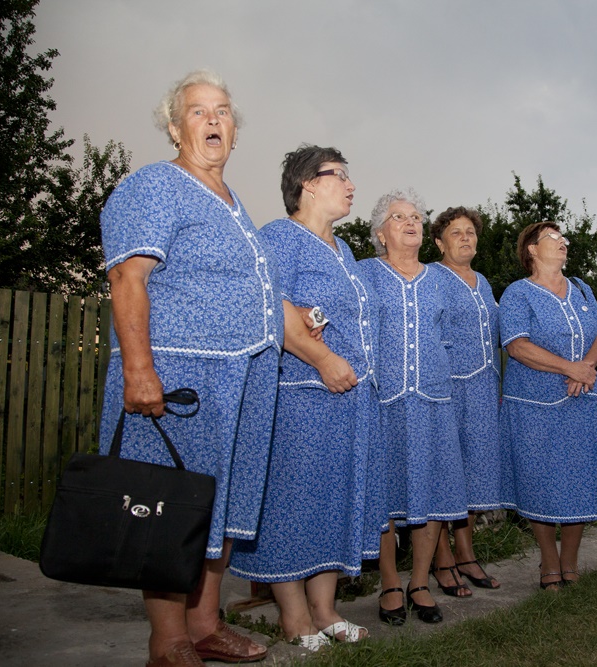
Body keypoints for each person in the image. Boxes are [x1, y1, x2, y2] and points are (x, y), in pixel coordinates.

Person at [99, 70, 276, 666]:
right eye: (198, 111)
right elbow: (127, 276)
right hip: (182, 380)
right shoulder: (156, 185)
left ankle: (204, 625)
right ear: (175, 129)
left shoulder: (234, 203)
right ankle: (169, 641)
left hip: (240, 382)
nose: (213, 119)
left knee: (219, 505)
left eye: (222, 110)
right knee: (171, 507)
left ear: (235, 130)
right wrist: (139, 370)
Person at [228, 146, 383, 650]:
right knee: (293, 503)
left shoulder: (345, 250)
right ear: (308, 184)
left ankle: (325, 610)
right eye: (340, 175)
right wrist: (322, 359)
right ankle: (293, 618)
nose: (351, 185)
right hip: (301, 396)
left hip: (349, 401)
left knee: (332, 502)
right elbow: (274, 307)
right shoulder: (280, 237)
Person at [359, 190, 469, 625]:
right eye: (399, 217)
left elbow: (450, 338)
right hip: (383, 400)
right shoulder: (364, 273)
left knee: (434, 489)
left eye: (417, 217)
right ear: (380, 233)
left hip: (433, 399)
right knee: (384, 491)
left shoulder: (441, 278)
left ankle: (419, 582)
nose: (411, 223)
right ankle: (390, 582)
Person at [498, 221, 597, 590]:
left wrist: (585, 369)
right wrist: (570, 367)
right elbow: (517, 345)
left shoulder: (581, 287)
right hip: (534, 403)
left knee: (578, 479)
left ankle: (570, 561)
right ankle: (549, 560)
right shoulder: (518, 293)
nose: (563, 241)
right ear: (532, 249)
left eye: (563, 237)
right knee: (540, 481)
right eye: (553, 237)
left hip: (582, 397)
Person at [427, 206, 503, 597]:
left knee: (475, 471)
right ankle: (441, 560)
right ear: (439, 242)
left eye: (470, 231)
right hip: (448, 388)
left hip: (484, 388)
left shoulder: (484, 281)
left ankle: (466, 553)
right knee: (445, 472)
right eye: (456, 232)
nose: (465, 238)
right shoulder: (431, 277)